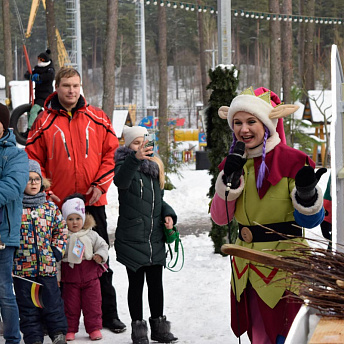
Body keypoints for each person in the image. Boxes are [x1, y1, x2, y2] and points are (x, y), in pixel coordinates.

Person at [211, 87, 326, 344]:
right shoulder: (232, 163)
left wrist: (307, 195)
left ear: (267, 122)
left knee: (289, 337)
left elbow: (310, 221)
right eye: (238, 122)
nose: (244, 129)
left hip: (285, 269)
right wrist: (227, 182)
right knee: (259, 338)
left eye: (251, 121)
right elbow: (221, 218)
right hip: (246, 271)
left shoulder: (292, 161)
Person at [25, 67, 126, 333]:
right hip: (58, 206)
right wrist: (45, 190)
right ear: (57, 87)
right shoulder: (43, 121)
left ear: (81, 87)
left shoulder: (97, 117)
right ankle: (56, 319)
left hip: (92, 203)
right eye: (66, 85)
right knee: (56, 262)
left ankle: (108, 314)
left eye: (76, 85)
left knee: (99, 259)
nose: (71, 90)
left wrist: (99, 184)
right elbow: (32, 160)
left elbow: (111, 153)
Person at [114, 125, 178, 344]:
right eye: (136, 143)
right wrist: (135, 159)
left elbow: (158, 201)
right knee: (136, 286)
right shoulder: (124, 165)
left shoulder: (154, 168)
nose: (141, 147)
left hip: (154, 238)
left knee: (156, 285)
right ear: (129, 146)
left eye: (145, 142)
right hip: (133, 238)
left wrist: (168, 214)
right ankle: (138, 331)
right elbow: (121, 182)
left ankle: (160, 328)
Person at [13, 159, 68, 344]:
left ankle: (58, 333)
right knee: (28, 308)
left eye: (37, 179)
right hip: (23, 271)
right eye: (29, 179)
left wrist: (56, 250)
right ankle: (33, 338)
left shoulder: (50, 208)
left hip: (47, 268)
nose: (34, 183)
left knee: (53, 304)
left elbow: (61, 230)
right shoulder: (15, 208)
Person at [60, 194, 109, 341]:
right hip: (70, 278)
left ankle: (93, 328)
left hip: (90, 277)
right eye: (70, 219)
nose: (74, 223)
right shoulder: (63, 237)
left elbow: (103, 245)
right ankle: (70, 329)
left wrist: (100, 255)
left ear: (83, 219)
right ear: (65, 220)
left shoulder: (91, 234)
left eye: (78, 219)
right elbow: (56, 259)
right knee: (70, 306)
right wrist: (57, 277)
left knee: (92, 304)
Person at [0, 103, 29, 344]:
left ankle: (11, 338)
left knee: (3, 291)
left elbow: (11, 187)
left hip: (2, 233)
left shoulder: (17, 154)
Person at [24, 49, 55, 131]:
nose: (39, 61)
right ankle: (34, 126)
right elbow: (27, 73)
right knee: (30, 110)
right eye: (38, 59)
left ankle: (30, 130)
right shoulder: (37, 68)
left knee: (34, 110)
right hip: (38, 95)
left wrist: (39, 78)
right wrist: (30, 76)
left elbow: (49, 77)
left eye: (41, 60)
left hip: (45, 96)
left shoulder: (50, 69)